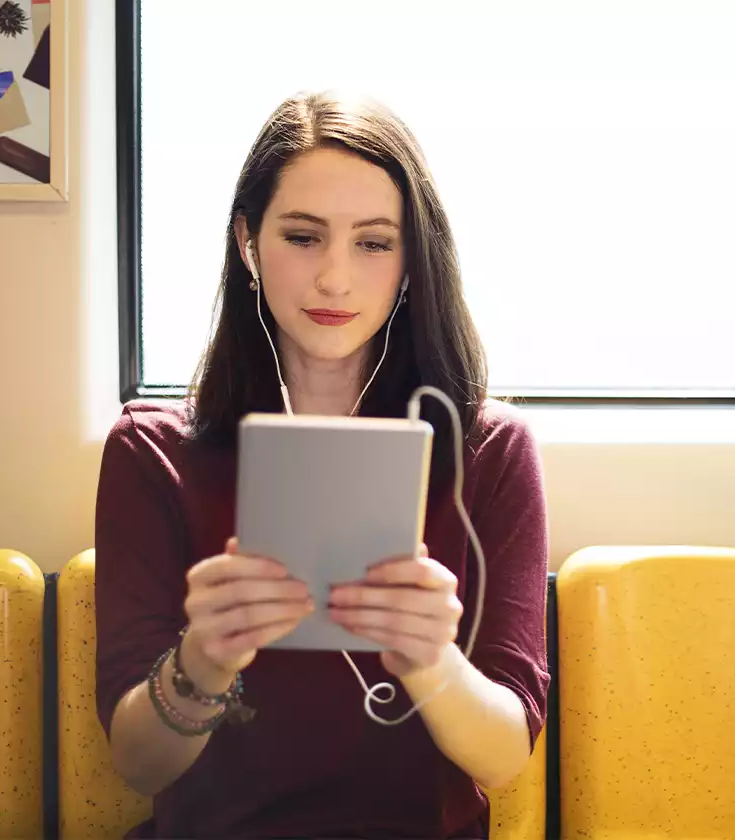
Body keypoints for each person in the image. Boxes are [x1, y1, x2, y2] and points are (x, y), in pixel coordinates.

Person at [94, 90, 551, 839]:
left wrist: (430, 661)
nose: (335, 278)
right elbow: (139, 764)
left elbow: (503, 755)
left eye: (374, 243)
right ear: (248, 241)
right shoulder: (154, 449)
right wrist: (202, 661)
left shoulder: (488, 451)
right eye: (303, 237)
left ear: (412, 260)